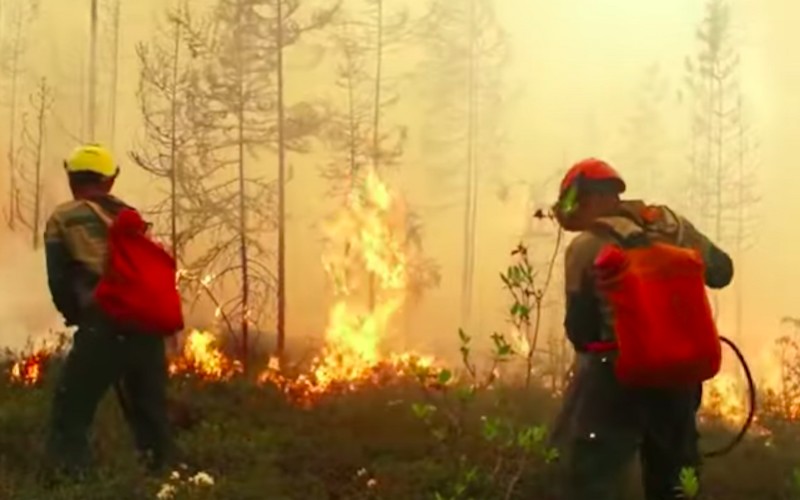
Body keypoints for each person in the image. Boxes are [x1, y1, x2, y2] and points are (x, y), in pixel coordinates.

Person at [551, 158, 733, 500]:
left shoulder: (585, 246)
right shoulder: (672, 226)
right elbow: (722, 271)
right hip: (679, 378)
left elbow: (580, 331)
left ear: (590, 199)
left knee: (589, 480)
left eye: (575, 202)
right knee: (676, 483)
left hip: (614, 379)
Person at [43, 144, 174, 479]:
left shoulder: (62, 217)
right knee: (150, 412)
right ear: (109, 181)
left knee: (71, 410)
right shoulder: (130, 216)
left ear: (73, 179)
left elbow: (59, 278)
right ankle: (165, 480)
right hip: (146, 326)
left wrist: (78, 316)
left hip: (103, 325)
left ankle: (71, 482)